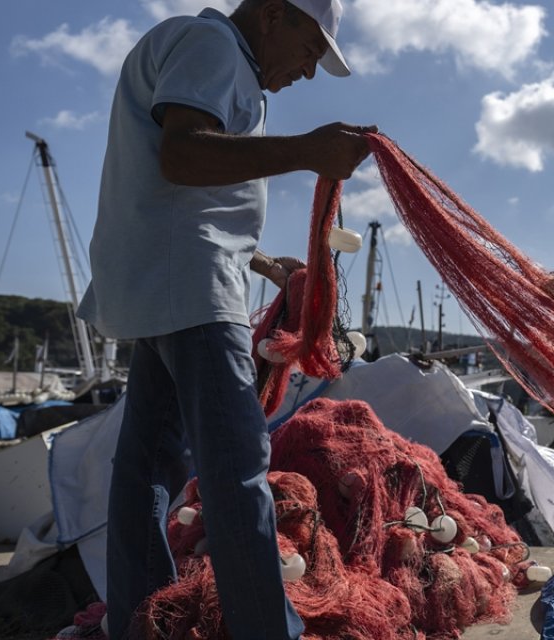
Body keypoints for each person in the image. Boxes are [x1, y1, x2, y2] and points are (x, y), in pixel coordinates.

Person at [75, 0, 376, 637]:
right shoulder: (213, 46)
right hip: (192, 290)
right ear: (273, 14)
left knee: (148, 469)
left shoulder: (211, 56)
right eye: (310, 49)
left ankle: (138, 621)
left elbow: (181, 191)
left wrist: (262, 262)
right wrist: (309, 151)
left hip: (158, 286)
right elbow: (181, 155)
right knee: (237, 469)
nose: (309, 72)